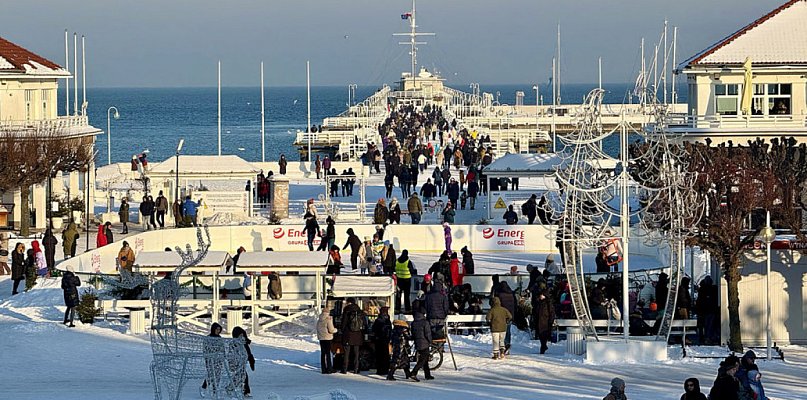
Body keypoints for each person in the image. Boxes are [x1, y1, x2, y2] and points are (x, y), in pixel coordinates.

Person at [339, 297, 365, 374]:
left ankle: (345, 369)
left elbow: (343, 323)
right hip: (358, 335)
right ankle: (356, 369)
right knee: (356, 353)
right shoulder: (359, 311)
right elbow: (364, 323)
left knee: (346, 353)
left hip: (348, 335)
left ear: (348, 302)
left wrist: (342, 330)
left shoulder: (347, 310)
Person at [408, 307, 434, 382]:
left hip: (417, 343)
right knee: (422, 360)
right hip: (424, 343)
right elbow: (428, 334)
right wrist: (430, 341)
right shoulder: (425, 322)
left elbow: (412, 333)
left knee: (424, 358)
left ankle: (427, 374)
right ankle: (413, 372)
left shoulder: (413, 323)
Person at [230, 326, 255, 398]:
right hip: (235, 364)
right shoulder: (233, 344)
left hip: (242, 364)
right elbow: (231, 355)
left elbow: (249, 354)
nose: (241, 336)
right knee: (240, 377)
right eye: (240, 335)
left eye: (242, 335)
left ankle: (245, 392)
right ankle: (231, 388)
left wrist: (251, 361)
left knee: (243, 377)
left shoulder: (245, 344)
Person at [201, 323, 224, 394]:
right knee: (211, 374)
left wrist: (222, 355)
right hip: (210, 360)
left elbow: (222, 348)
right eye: (217, 329)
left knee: (217, 375)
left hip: (218, 360)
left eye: (219, 330)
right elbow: (206, 349)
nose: (218, 331)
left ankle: (215, 390)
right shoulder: (208, 338)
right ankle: (204, 387)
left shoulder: (219, 338)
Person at [496, 281, 517, 354]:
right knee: (508, 331)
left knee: (501, 331)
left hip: (502, 316)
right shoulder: (511, 294)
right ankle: (507, 344)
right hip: (510, 315)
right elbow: (515, 305)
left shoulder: (500, 295)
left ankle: (503, 346)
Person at [532, 287, 555, 354]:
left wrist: (551, 321)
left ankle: (543, 347)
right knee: (540, 335)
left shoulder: (548, 303)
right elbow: (535, 311)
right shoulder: (538, 302)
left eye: (542, 295)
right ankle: (544, 346)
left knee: (544, 335)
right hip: (538, 321)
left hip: (545, 321)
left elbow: (552, 312)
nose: (541, 296)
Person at [316, 303, 337, 374]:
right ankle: (329, 369)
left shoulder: (319, 320)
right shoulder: (328, 319)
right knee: (328, 354)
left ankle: (323, 369)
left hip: (321, 338)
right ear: (328, 313)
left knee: (323, 354)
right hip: (328, 338)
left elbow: (318, 329)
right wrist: (336, 330)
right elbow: (331, 330)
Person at [372, 306, 392, 376]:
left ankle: (380, 370)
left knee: (379, 355)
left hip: (379, 340)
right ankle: (385, 369)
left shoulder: (378, 320)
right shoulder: (388, 320)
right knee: (385, 355)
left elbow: (374, 329)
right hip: (385, 340)